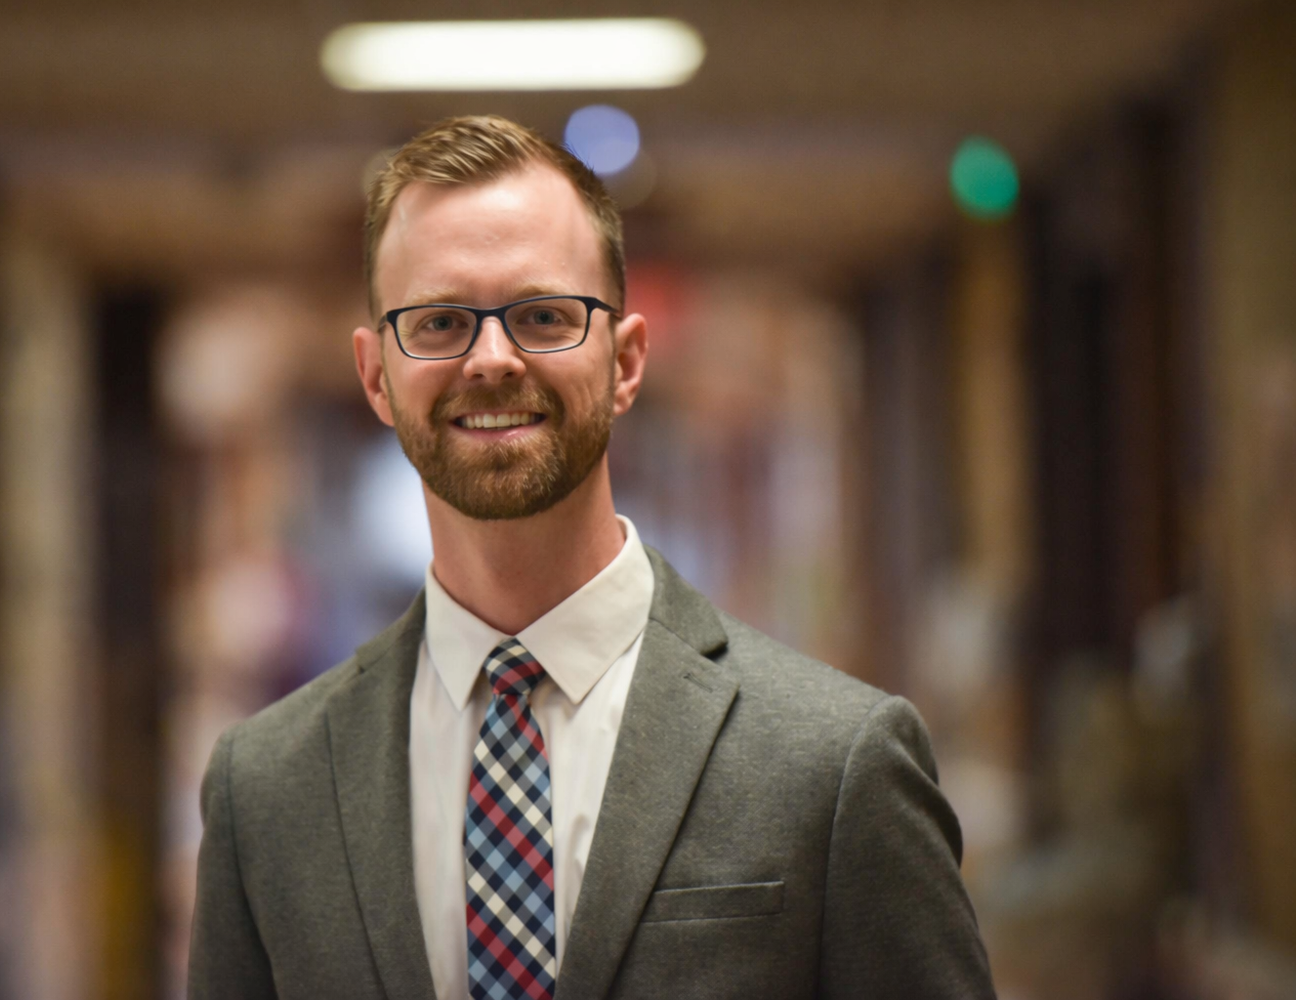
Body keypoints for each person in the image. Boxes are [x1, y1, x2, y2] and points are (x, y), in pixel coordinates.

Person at [188, 115, 995, 1000]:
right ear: (377, 374)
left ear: (626, 360)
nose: (491, 359)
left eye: (541, 316)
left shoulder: (836, 764)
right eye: (441, 321)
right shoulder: (264, 791)